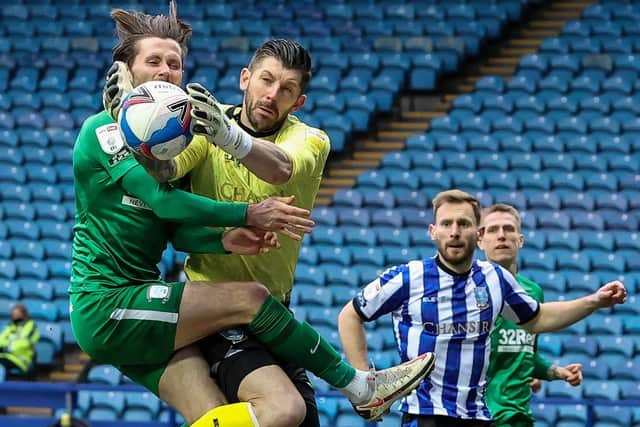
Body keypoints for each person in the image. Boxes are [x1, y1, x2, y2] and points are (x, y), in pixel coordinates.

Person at [85, 3, 435, 427]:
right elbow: (164, 195)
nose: (272, 94)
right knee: (283, 404)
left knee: (227, 419)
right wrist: (248, 213)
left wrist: (222, 237)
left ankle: (360, 389)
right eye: (153, 61)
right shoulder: (109, 130)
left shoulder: (301, 138)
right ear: (245, 79)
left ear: (299, 100)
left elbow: (268, 175)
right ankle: (360, 387)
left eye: (174, 63)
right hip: (142, 303)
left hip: (257, 312)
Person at [338, 189, 627, 427]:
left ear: (477, 233)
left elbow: (537, 318)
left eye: (463, 224)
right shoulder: (407, 277)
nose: (454, 232)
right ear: (432, 231)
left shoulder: (496, 279)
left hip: (477, 417)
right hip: (423, 415)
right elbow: (350, 315)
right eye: (446, 224)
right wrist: (366, 381)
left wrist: (594, 301)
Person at [478, 203, 583, 427]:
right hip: (482, 416)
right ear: (480, 240)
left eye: (508, 229)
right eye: (493, 230)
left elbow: (524, 353)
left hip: (519, 416)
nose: (502, 235)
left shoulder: (533, 292)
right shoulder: (470, 289)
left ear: (520, 240)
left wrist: (557, 372)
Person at [0, 304, 39, 376]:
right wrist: (5, 347)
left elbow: (25, 342)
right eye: (13, 314)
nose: (15, 316)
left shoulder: (30, 326)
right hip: (5, 356)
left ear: (24, 314)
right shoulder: (9, 326)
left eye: (17, 314)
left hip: (21, 360)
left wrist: (8, 347)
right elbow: (1, 340)